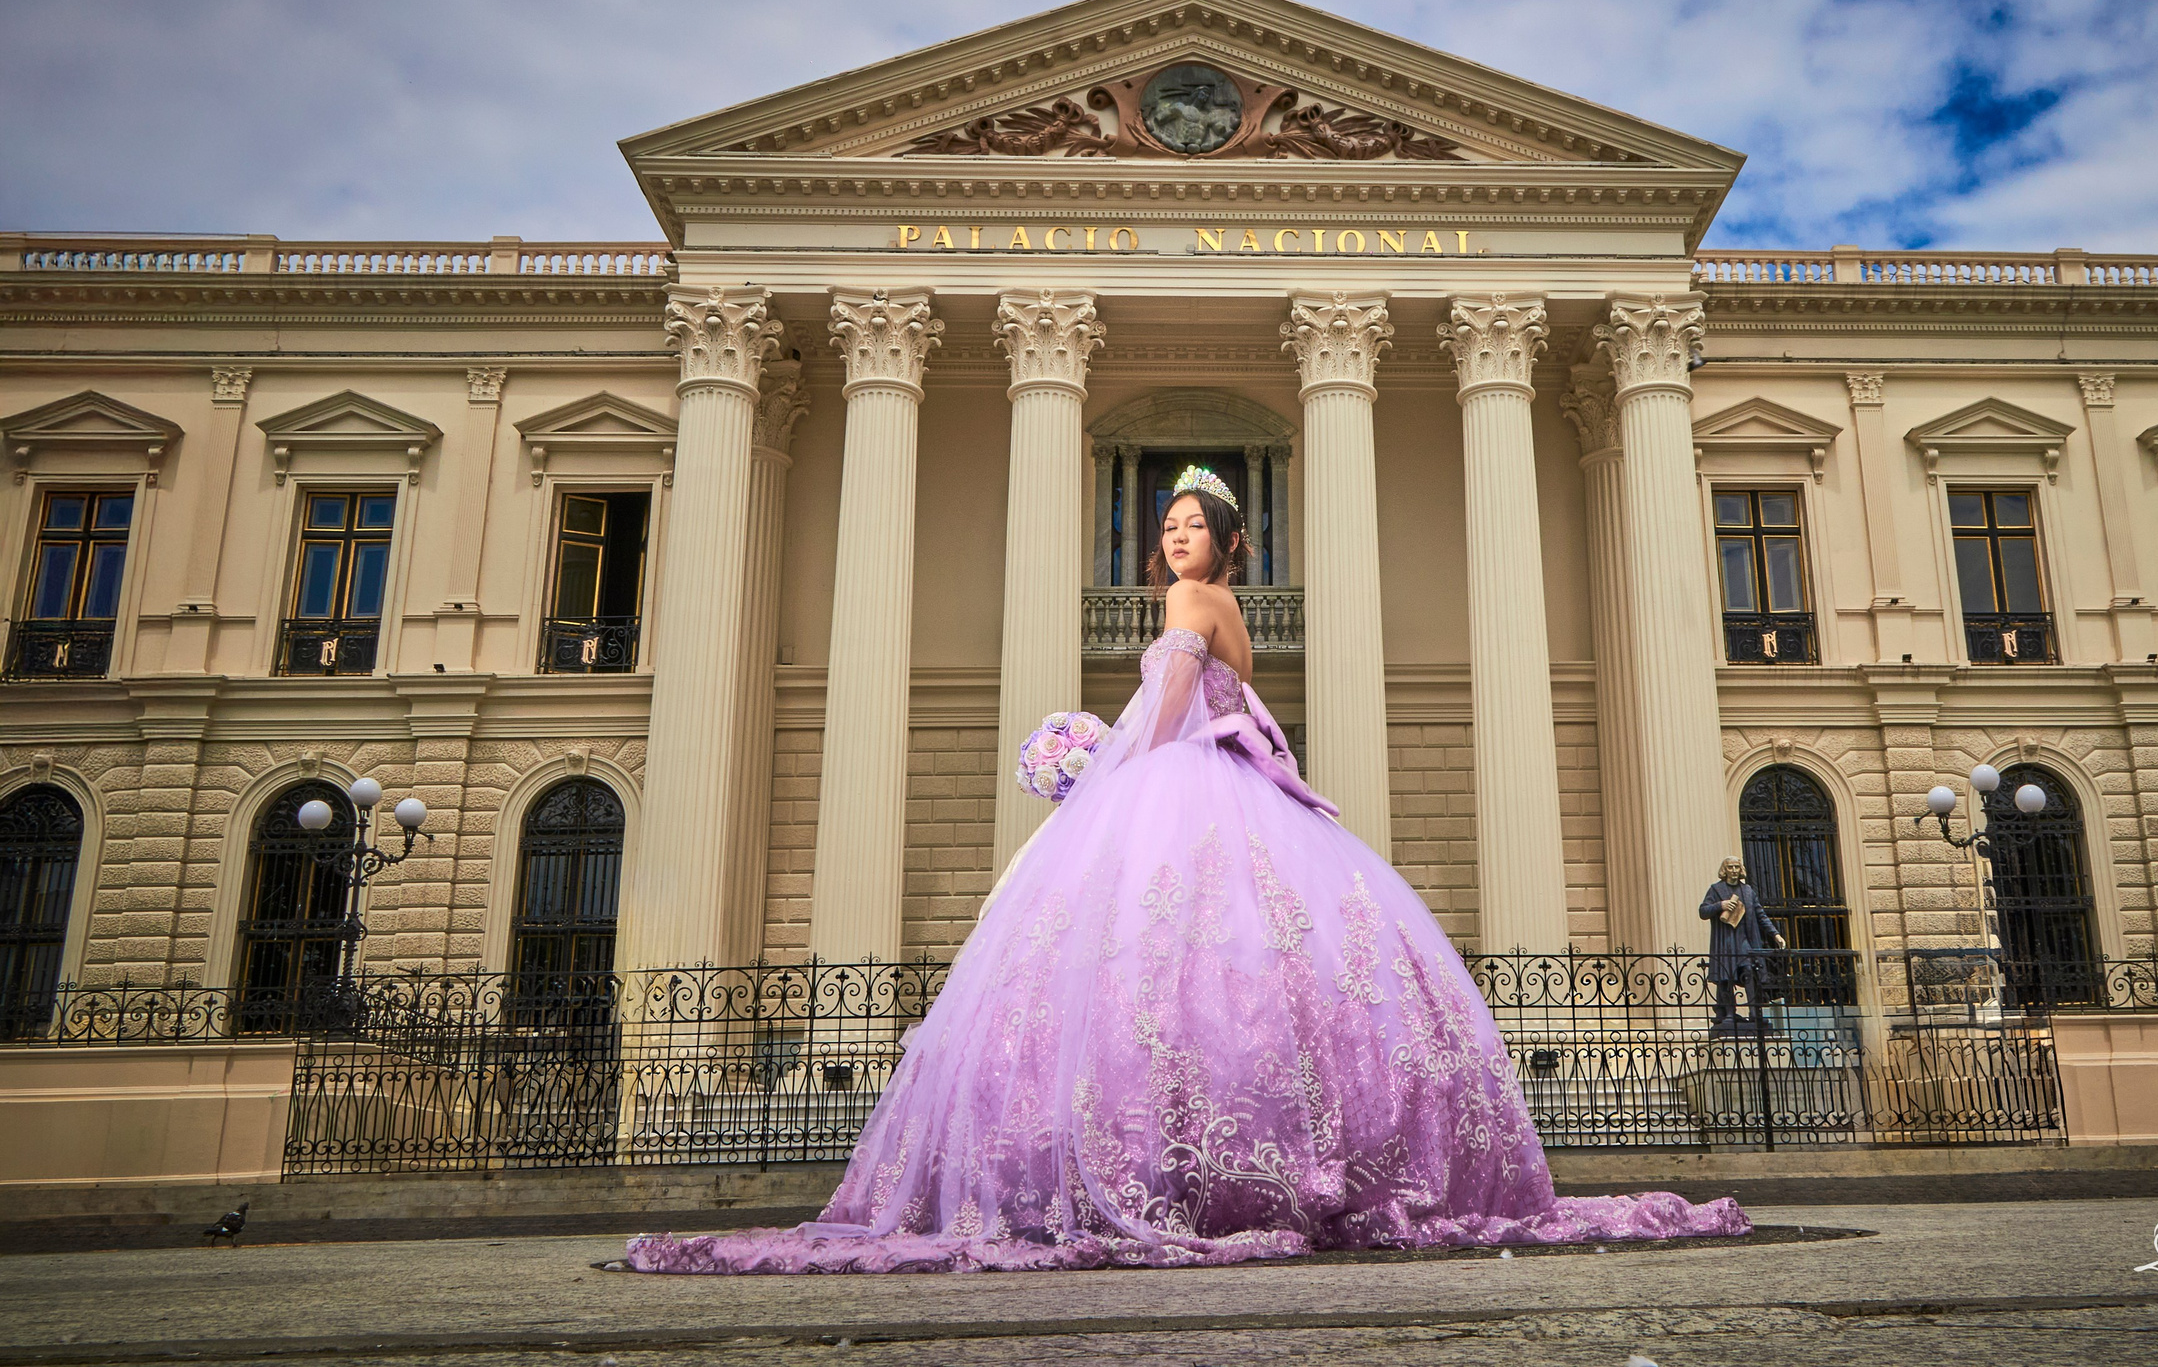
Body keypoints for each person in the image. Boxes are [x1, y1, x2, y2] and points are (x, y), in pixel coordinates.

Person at [627, 466, 1748, 1273]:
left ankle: (1148, 1167)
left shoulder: (1184, 607)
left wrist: (1105, 773)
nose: (1171, 538)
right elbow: (1239, 705)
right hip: (1235, 787)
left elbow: (1168, 707)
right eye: (1161, 524)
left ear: (1221, 537)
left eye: (1189, 523)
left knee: (1131, 973)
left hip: (1178, 778)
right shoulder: (1234, 615)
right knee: (1244, 974)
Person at [1699, 856, 1785, 1031]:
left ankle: (1754, 1012)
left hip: (1745, 940)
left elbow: (1761, 915)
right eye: (1730, 867)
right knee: (1726, 975)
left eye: (1736, 867)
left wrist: (1775, 934)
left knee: (1750, 971)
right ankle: (1729, 1013)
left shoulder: (1748, 891)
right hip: (1725, 941)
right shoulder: (1716, 890)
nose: (1733, 870)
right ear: (1724, 870)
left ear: (1741, 870)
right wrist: (1720, 905)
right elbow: (1703, 911)